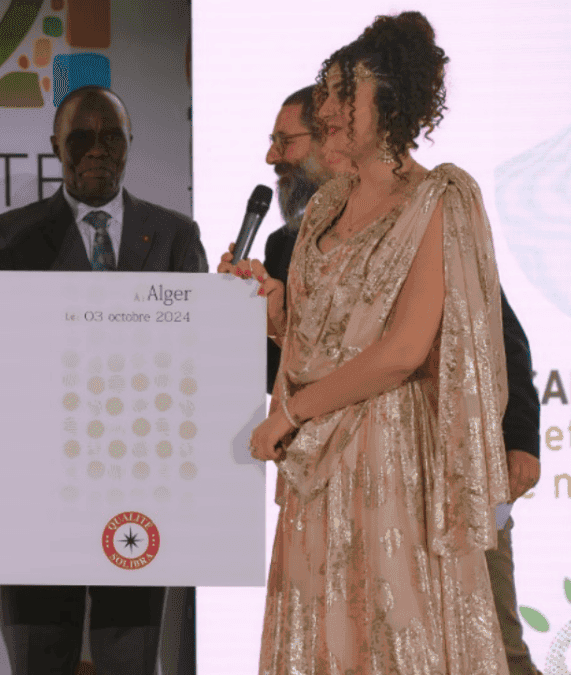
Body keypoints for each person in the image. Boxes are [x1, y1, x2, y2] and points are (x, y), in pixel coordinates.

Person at [226, 12, 514, 672]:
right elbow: (320, 336)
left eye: (340, 94)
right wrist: (273, 306)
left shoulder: (438, 199)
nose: (325, 110)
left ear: (389, 102)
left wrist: (290, 412)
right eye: (325, 93)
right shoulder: (325, 207)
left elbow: (404, 350)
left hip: (389, 461)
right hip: (317, 471)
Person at [0, 85, 205, 675]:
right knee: (38, 662)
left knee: (129, 663)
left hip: (141, 491)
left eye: (111, 136)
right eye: (81, 137)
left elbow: (196, 358)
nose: (96, 149)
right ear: (55, 145)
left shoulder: (175, 235)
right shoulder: (7, 237)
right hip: (37, 491)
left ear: (130, 142)